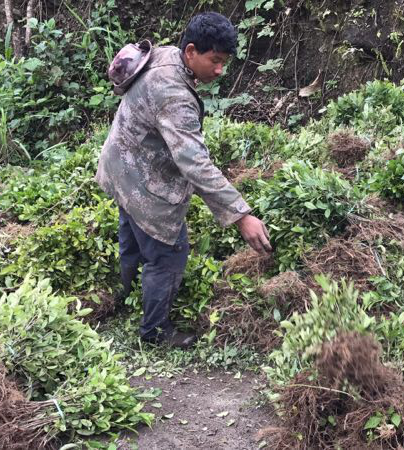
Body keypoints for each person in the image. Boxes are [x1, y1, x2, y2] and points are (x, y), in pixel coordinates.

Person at [95, 12, 272, 348]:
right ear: (191, 51)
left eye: (224, 62)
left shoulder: (166, 56)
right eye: (215, 61)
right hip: (143, 178)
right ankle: (155, 333)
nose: (219, 70)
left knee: (132, 235)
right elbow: (194, 163)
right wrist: (241, 215)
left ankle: (128, 295)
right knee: (168, 253)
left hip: (120, 165)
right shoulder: (174, 96)